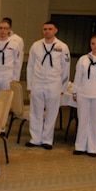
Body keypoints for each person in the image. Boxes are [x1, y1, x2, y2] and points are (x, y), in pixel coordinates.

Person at [26, 21, 70, 150]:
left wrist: (63, 87)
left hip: (54, 83)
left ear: (55, 30)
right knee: (35, 111)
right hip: (37, 82)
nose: (47, 31)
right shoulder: (36, 46)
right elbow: (30, 66)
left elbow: (66, 68)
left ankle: (47, 140)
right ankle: (35, 138)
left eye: (50, 29)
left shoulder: (62, 46)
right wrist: (29, 85)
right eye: (45, 29)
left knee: (52, 112)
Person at [0, 20, 23, 93]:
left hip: (7, 74)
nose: (2, 30)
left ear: (9, 30)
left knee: (6, 97)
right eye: (0, 28)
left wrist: (16, 78)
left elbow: (17, 62)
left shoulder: (14, 44)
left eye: (5, 28)